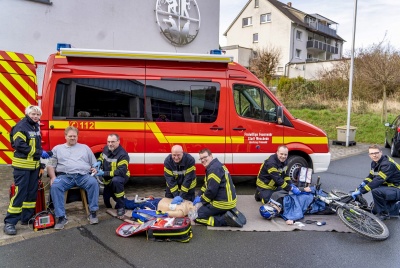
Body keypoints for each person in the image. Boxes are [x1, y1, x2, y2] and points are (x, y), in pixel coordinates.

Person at [3, 105, 52, 235]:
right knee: (20, 193)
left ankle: (27, 218)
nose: (36, 116)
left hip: (33, 167)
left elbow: (36, 145)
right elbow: (19, 146)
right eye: (33, 114)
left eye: (38, 114)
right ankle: (10, 222)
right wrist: (39, 152)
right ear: (27, 114)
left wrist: (41, 165)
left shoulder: (35, 126)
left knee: (31, 194)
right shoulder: (21, 126)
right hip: (22, 167)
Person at [47, 126, 100, 230]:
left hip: (83, 176)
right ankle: (61, 217)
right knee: (55, 186)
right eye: (70, 136)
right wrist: (53, 177)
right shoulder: (57, 149)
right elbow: (50, 166)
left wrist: (95, 169)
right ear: (65, 136)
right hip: (65, 176)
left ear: (77, 136)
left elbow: (95, 164)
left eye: (74, 136)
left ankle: (93, 212)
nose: (72, 138)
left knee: (94, 183)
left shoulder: (85, 148)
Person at [193, 148, 246, 227]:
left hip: (222, 203)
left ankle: (225, 220)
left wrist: (202, 200)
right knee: (205, 208)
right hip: (229, 201)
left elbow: (211, 191)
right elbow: (206, 185)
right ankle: (227, 212)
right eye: (201, 159)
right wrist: (199, 195)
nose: (203, 160)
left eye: (205, 157)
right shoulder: (216, 165)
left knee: (196, 216)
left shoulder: (213, 169)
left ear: (211, 156)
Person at [351, 144, 400, 220]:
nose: (374, 155)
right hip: (390, 187)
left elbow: (378, 180)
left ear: (381, 152)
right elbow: (371, 176)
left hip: (397, 188)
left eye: (376, 153)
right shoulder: (374, 163)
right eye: (372, 153)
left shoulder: (387, 164)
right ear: (369, 155)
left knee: (376, 191)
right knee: (374, 210)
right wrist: (362, 184)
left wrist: (362, 191)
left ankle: (384, 214)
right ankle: (394, 207)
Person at [93, 134, 130, 217]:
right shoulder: (106, 148)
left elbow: (120, 172)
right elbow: (102, 157)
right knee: (107, 203)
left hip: (120, 176)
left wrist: (104, 173)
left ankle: (121, 206)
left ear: (118, 142)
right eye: (108, 142)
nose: (110, 144)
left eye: (113, 142)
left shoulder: (123, 155)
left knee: (116, 182)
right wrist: (99, 161)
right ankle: (115, 196)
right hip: (108, 177)